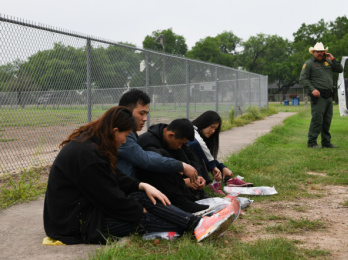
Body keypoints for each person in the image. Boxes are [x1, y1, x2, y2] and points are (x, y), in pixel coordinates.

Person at [43, 106, 238, 244]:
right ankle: (198, 225)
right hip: (76, 224)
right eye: (126, 135)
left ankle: (198, 223)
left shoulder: (93, 143)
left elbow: (114, 176)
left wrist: (140, 185)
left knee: (143, 197)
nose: (125, 141)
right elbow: (110, 199)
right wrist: (138, 210)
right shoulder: (86, 154)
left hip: (88, 210)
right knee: (143, 217)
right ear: (114, 131)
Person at [117, 89, 208, 213]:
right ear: (126, 111)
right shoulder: (121, 134)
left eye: (146, 114)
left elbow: (188, 153)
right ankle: (182, 202)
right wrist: (181, 167)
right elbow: (145, 160)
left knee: (165, 158)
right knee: (159, 158)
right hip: (125, 188)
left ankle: (186, 199)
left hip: (134, 182)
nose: (145, 118)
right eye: (141, 113)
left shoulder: (131, 133)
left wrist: (196, 174)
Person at [137, 118, 209, 212]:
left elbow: (191, 156)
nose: (180, 146)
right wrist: (183, 182)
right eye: (180, 143)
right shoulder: (148, 142)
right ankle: (182, 202)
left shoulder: (173, 135)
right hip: (148, 181)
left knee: (180, 152)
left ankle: (191, 196)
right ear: (171, 135)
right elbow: (159, 165)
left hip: (173, 179)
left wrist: (196, 175)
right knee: (164, 155)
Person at [188, 111, 253, 195]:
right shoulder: (192, 130)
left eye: (215, 129)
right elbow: (197, 145)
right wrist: (213, 166)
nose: (213, 131)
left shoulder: (202, 136)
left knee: (206, 157)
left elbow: (208, 156)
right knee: (198, 153)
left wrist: (222, 167)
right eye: (212, 127)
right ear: (204, 122)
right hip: (182, 169)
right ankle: (210, 184)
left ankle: (227, 179)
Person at [299, 42, 344, 148]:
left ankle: (326, 142)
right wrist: (312, 89)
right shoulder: (309, 63)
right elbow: (303, 79)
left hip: (328, 96)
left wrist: (333, 59)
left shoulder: (328, 62)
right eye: (317, 51)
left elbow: (340, 69)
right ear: (313, 52)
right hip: (318, 97)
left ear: (325, 52)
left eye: (322, 51)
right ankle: (312, 142)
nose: (320, 53)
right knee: (317, 119)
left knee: (327, 120)